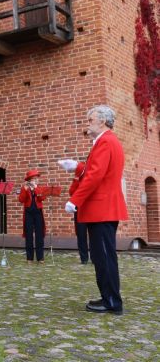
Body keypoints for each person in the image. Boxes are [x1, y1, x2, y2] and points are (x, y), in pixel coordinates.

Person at [64, 105, 128, 315]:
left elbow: (96, 176)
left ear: (102, 121)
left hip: (101, 208)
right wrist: (77, 166)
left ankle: (111, 301)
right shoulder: (108, 141)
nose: (87, 123)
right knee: (102, 256)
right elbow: (96, 170)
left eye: (90, 120)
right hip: (104, 208)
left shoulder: (105, 141)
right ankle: (108, 297)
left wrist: (76, 200)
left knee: (104, 257)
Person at [18, 170, 46, 264]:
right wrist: (25, 190)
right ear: (29, 180)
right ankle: (29, 258)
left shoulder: (40, 188)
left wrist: (36, 188)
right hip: (28, 213)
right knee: (29, 235)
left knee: (39, 235)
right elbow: (21, 200)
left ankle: (40, 258)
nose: (35, 180)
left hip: (38, 213)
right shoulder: (24, 188)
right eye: (33, 179)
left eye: (36, 178)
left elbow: (42, 198)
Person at [70, 162, 90, 264]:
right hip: (79, 210)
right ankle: (84, 258)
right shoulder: (77, 181)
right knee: (81, 235)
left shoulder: (90, 179)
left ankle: (96, 258)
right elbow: (71, 193)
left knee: (93, 235)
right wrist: (76, 180)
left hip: (90, 210)